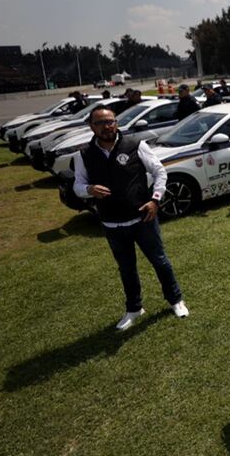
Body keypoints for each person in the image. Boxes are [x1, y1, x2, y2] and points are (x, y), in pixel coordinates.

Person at [73, 107, 188, 330]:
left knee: (160, 261)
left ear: (116, 123)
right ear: (91, 127)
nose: (106, 126)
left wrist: (155, 200)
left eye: (110, 121)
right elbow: (77, 185)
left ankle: (175, 300)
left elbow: (159, 172)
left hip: (142, 218)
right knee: (126, 269)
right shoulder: (83, 154)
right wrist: (89, 189)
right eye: (100, 123)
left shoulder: (135, 145)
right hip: (112, 223)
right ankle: (134, 308)